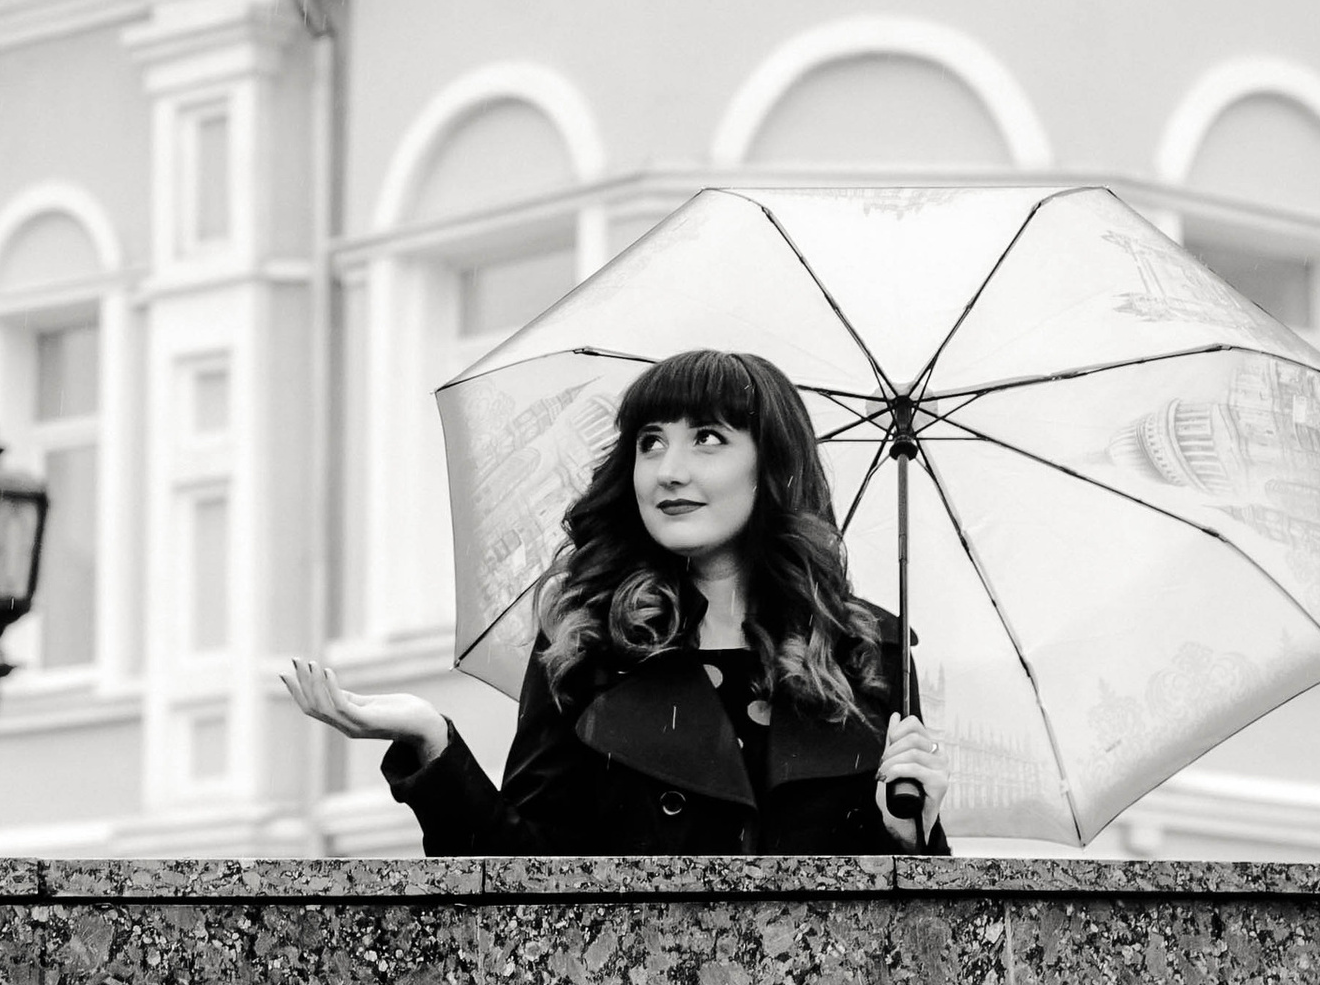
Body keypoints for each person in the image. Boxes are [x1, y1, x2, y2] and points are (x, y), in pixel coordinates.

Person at [287, 347, 952, 855]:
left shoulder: (866, 655)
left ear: (772, 466)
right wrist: (432, 745)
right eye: (651, 441)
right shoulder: (586, 647)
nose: (669, 469)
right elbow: (519, 882)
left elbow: (922, 953)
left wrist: (905, 833)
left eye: (708, 438)